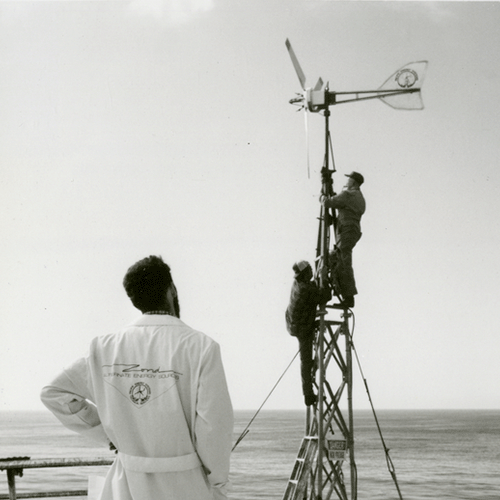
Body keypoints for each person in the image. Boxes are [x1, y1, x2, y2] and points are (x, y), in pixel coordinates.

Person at [40, 255, 234, 500]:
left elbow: (53, 393)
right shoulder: (201, 347)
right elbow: (213, 427)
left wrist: (109, 433)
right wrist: (218, 483)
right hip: (185, 485)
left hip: (126, 484)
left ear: (134, 300)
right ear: (171, 290)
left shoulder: (104, 347)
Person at [285, 260, 330, 406]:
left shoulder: (298, 284)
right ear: (306, 273)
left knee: (306, 361)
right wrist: (324, 279)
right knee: (306, 360)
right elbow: (324, 296)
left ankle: (308, 392)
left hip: (294, 322)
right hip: (302, 327)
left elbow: (312, 291)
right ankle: (308, 394)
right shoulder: (304, 289)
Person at [321, 171, 366, 308]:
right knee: (340, 260)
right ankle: (346, 295)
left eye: (348, 180)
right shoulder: (359, 197)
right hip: (351, 230)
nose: (346, 182)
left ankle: (348, 297)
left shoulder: (348, 195)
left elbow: (329, 202)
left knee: (343, 263)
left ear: (353, 182)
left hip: (346, 232)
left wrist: (322, 196)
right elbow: (347, 212)